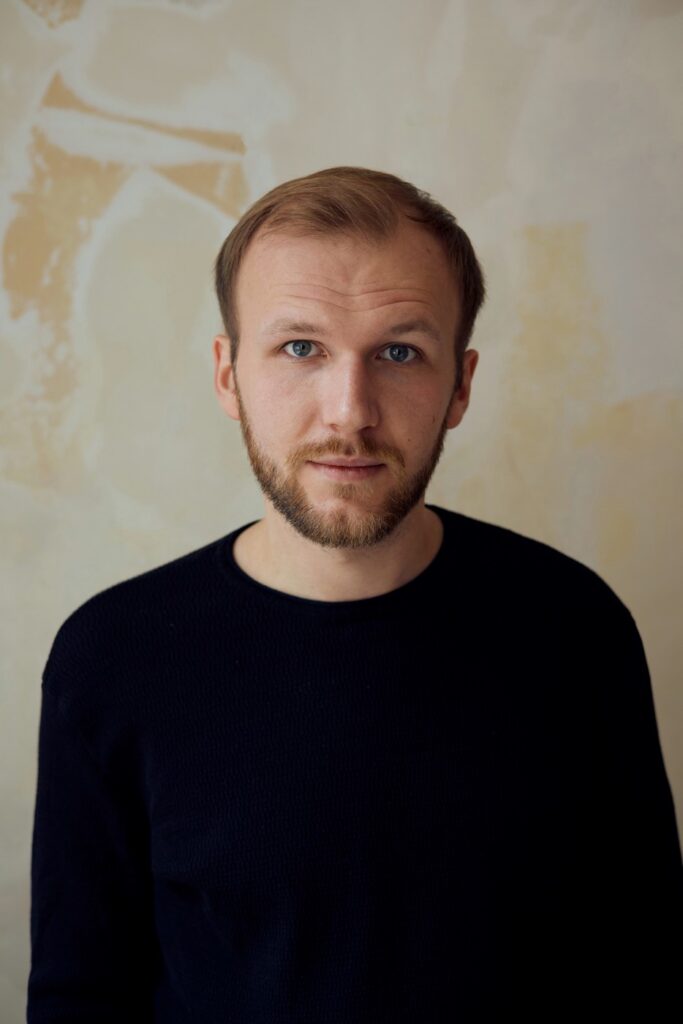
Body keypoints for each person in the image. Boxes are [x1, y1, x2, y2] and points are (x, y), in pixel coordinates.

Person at [27, 166, 682, 1021]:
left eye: (399, 352)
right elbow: (80, 996)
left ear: (460, 385)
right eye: (300, 348)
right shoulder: (113, 655)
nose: (349, 412)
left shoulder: (573, 627)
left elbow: (646, 966)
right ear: (227, 375)